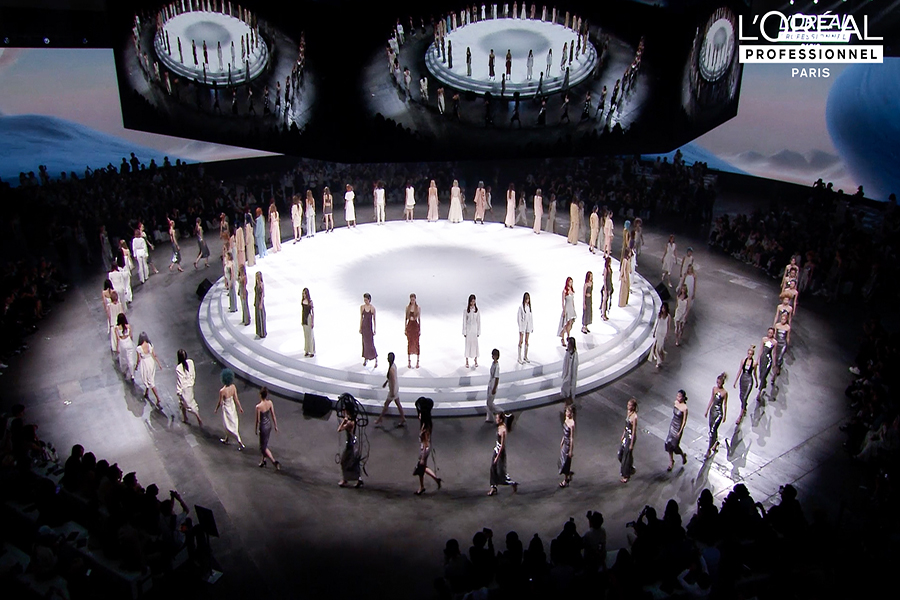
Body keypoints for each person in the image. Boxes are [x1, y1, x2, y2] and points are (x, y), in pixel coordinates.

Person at [488, 412, 518, 495]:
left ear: (501, 420)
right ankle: (493, 487)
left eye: (497, 418)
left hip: (500, 453)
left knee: (501, 473)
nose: (496, 419)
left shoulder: (503, 430)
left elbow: (502, 446)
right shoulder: (499, 426)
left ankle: (512, 483)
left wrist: (497, 457)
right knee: (492, 468)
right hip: (496, 450)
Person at [215, 368, 245, 449]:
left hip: (226, 409)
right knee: (232, 422)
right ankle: (226, 439)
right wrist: (240, 407)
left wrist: (216, 409)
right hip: (232, 406)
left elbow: (220, 402)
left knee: (228, 424)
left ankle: (240, 442)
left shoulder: (222, 391)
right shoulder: (233, 387)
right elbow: (236, 399)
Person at [136, 332, 164, 410]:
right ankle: (147, 392)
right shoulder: (150, 345)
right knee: (149, 378)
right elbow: (154, 355)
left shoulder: (139, 348)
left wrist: (136, 367)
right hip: (151, 362)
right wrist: (159, 364)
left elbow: (138, 359)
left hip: (145, 364)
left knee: (150, 381)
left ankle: (158, 398)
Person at [338, 403, 363, 488]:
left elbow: (339, 429)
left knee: (344, 461)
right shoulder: (354, 419)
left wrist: (344, 421)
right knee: (353, 462)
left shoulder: (349, 422)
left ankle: (345, 480)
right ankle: (358, 479)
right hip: (353, 442)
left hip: (350, 444)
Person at [175, 349, 202, 426]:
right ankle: (185, 417)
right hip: (190, 386)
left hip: (184, 388)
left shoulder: (179, 368)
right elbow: (193, 373)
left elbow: (180, 380)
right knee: (183, 403)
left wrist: (179, 391)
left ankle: (198, 417)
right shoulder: (190, 362)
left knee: (189, 404)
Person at [704, 373, 728, 459]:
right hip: (712, 411)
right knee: (712, 429)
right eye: (717, 382)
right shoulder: (714, 389)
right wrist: (707, 410)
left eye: (720, 383)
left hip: (718, 413)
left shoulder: (725, 393)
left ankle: (708, 449)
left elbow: (725, 404)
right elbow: (711, 399)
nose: (718, 384)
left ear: (723, 383)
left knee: (712, 430)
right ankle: (715, 442)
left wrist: (724, 415)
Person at [255, 387, 280, 469]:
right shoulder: (270, 403)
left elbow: (258, 420)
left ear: (260, 395)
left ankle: (274, 461)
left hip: (263, 427)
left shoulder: (258, 407)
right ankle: (263, 461)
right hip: (269, 425)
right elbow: (273, 415)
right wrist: (275, 426)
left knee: (263, 447)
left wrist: (256, 429)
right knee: (265, 443)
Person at [414, 423, 441, 494]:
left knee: (421, 467)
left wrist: (422, 457)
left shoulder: (425, 428)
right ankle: (434, 480)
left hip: (424, 450)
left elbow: (425, 443)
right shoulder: (427, 426)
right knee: (422, 468)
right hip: (426, 449)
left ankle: (422, 486)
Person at [665, 390, 688, 471]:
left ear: (683, 397)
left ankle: (682, 455)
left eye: (679, 396)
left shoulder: (685, 408)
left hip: (678, 427)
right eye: (677, 396)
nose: (678, 398)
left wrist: (680, 431)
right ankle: (671, 461)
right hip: (672, 426)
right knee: (668, 443)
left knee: (675, 446)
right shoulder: (675, 403)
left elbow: (684, 421)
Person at [733, 346, 758, 424]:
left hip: (749, 380)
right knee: (741, 396)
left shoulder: (754, 363)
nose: (749, 355)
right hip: (743, 379)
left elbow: (755, 373)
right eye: (748, 354)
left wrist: (757, 382)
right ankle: (744, 406)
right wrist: (735, 381)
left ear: (753, 355)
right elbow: (740, 371)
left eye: (751, 354)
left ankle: (740, 416)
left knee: (745, 397)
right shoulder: (743, 361)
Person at [618, 398, 638, 483]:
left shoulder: (634, 417)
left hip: (630, 437)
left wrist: (631, 444)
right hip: (626, 435)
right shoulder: (628, 412)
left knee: (626, 456)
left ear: (633, 407)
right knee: (620, 454)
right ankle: (630, 467)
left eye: (630, 405)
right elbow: (626, 425)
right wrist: (623, 434)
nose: (628, 406)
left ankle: (626, 475)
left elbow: (633, 431)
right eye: (628, 405)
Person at [115, 313, 136, 382]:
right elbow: (131, 335)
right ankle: (132, 374)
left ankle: (124, 370)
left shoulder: (117, 328)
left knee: (123, 357)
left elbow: (117, 339)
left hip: (122, 343)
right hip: (128, 342)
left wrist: (117, 347)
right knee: (130, 358)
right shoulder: (128, 326)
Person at [756, 328, 776, 401]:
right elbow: (761, 349)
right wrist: (757, 359)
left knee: (764, 375)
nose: (770, 334)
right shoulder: (764, 339)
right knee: (761, 375)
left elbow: (774, 353)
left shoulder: (774, 342)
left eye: (771, 333)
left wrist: (774, 363)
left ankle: (759, 393)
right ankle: (763, 384)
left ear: (773, 334)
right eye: (769, 332)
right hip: (762, 359)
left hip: (768, 360)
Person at [559, 404, 575, 487]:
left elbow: (571, 438)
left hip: (568, 444)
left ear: (571, 413)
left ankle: (566, 480)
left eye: (568, 412)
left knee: (566, 462)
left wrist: (571, 450)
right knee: (562, 461)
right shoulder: (566, 419)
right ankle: (568, 474)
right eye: (566, 411)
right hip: (565, 442)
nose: (566, 413)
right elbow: (564, 432)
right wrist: (562, 441)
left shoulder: (572, 423)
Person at [650, 303, 671, 368]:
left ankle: (660, 358)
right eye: (662, 308)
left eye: (664, 308)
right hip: (658, 331)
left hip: (663, 332)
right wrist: (654, 331)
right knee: (656, 346)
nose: (663, 309)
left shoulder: (668, 316)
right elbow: (657, 323)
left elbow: (668, 326)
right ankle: (658, 361)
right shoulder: (659, 315)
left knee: (659, 347)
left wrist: (667, 334)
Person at [463, 294, 481, 368]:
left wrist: (478, 331)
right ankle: (467, 361)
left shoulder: (477, 310)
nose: (473, 303)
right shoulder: (466, 310)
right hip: (468, 330)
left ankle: (475, 360)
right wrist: (464, 331)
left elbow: (478, 321)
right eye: (471, 301)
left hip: (474, 330)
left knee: (475, 345)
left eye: (474, 301)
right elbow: (464, 321)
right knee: (468, 345)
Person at [360, 293, 378, 367]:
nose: (365, 301)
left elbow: (374, 320)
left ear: (369, 300)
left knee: (370, 344)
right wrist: (360, 327)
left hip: (369, 328)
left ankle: (375, 359)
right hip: (364, 327)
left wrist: (375, 329)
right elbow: (361, 318)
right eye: (364, 300)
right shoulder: (362, 307)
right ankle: (366, 358)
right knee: (364, 343)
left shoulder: (372, 308)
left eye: (366, 300)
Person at [558, 277, 576, 346]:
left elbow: (573, 301)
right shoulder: (565, 291)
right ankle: (563, 338)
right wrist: (564, 310)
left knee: (570, 324)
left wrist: (574, 309)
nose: (570, 283)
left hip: (571, 309)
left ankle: (568, 336)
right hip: (567, 308)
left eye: (571, 282)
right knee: (566, 324)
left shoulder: (572, 290)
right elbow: (562, 302)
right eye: (569, 282)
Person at [405, 293, 421, 368]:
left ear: (415, 300)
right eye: (411, 300)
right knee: (409, 342)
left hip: (415, 326)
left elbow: (419, 319)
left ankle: (418, 361)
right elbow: (406, 318)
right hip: (410, 326)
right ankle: (409, 361)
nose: (412, 301)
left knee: (416, 343)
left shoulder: (418, 308)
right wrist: (405, 328)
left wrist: (420, 329)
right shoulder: (407, 308)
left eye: (413, 300)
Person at [561, 337, 578, 403]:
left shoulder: (574, 354)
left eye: (569, 344)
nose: (568, 345)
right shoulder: (567, 353)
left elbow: (575, 365)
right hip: (567, 373)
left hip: (572, 374)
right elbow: (565, 364)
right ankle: (567, 401)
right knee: (565, 386)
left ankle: (570, 403)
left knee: (571, 388)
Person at [517, 292, 533, 364]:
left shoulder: (529, 307)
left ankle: (525, 356)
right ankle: (519, 357)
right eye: (526, 299)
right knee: (521, 341)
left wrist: (531, 326)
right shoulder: (521, 307)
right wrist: (520, 328)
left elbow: (531, 317)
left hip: (528, 326)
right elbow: (519, 318)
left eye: (528, 299)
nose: (527, 300)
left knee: (526, 341)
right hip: (523, 326)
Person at [485, 348, 501, 421]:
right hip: (490, 384)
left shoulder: (497, 366)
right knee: (488, 402)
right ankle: (490, 417)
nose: (492, 356)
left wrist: (494, 388)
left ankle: (500, 411)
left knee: (490, 403)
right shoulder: (493, 363)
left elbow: (497, 378)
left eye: (494, 355)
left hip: (493, 385)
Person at [774, 312, 791, 377]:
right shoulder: (777, 325)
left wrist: (787, 346)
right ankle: (776, 365)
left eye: (784, 320)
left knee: (780, 357)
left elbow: (787, 337)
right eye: (782, 319)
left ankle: (778, 368)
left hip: (783, 344)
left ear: (786, 320)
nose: (783, 321)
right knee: (776, 356)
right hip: (777, 342)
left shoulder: (787, 327)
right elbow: (775, 335)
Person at [301, 288, 315, 357]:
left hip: (309, 318)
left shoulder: (310, 302)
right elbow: (303, 311)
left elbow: (312, 313)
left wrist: (312, 322)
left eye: (305, 293)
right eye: (303, 293)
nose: (304, 295)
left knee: (310, 335)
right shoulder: (303, 301)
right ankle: (306, 350)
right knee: (306, 335)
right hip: (304, 319)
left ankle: (312, 351)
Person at [600, 255, 613, 321]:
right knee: (604, 300)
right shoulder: (606, 269)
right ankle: (603, 314)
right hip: (606, 286)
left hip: (609, 284)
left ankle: (604, 313)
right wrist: (605, 288)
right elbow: (604, 279)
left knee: (606, 300)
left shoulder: (609, 268)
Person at [254, 271, 266, 339]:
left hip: (260, 301)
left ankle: (262, 332)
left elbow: (262, 295)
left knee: (261, 317)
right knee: (257, 317)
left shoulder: (261, 284)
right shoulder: (256, 284)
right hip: (256, 301)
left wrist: (261, 303)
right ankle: (258, 332)